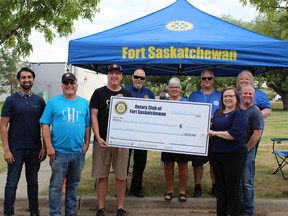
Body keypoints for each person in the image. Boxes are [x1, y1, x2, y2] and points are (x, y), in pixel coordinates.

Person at [40, 72, 91, 216]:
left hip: (77, 152)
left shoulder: (83, 103)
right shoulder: (53, 102)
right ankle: (55, 213)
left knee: (73, 185)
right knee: (56, 186)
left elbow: (88, 126)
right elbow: (45, 124)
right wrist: (48, 146)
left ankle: (71, 212)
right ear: (62, 86)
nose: (69, 85)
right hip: (58, 153)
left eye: (72, 83)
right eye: (66, 83)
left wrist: (86, 145)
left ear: (77, 85)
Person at [0, 67, 46, 216]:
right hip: (15, 149)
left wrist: (44, 147)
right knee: (12, 183)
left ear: (33, 79)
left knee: (33, 181)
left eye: (29, 77)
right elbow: (2, 126)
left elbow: (44, 125)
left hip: (34, 149)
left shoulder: (39, 101)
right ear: (19, 80)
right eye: (23, 77)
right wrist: (6, 150)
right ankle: (8, 212)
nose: (27, 80)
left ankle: (34, 210)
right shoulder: (10, 100)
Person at [90, 64, 132, 216]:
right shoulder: (99, 93)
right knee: (102, 175)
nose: (114, 76)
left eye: (117, 73)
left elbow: (132, 119)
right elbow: (93, 115)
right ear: (108, 75)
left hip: (121, 141)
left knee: (121, 176)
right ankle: (101, 208)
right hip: (103, 141)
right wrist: (98, 136)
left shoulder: (127, 95)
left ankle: (120, 207)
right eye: (111, 73)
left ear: (121, 76)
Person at [209, 86, 247, 216]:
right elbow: (213, 127)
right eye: (225, 96)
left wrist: (214, 132)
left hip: (234, 155)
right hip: (217, 155)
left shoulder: (239, 113)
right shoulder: (218, 112)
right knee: (220, 188)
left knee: (233, 188)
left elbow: (233, 134)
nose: (228, 98)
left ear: (237, 98)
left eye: (231, 96)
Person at [188, 70, 221, 197]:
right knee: (197, 163)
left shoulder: (221, 95)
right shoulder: (193, 96)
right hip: (199, 136)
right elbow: (189, 113)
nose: (206, 81)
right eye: (204, 78)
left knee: (215, 162)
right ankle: (197, 187)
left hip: (215, 134)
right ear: (200, 80)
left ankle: (215, 186)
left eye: (209, 78)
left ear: (213, 80)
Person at [125, 69, 155, 198]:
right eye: (136, 77)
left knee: (140, 162)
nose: (139, 80)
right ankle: (122, 187)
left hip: (143, 134)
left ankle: (136, 188)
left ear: (145, 80)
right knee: (123, 162)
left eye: (141, 78)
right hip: (126, 133)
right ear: (132, 77)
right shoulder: (124, 91)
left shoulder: (150, 94)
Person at [161, 77, 190, 202]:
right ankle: (170, 190)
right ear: (168, 88)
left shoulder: (187, 102)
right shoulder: (163, 103)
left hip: (182, 139)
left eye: (176, 87)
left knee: (183, 165)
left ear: (180, 89)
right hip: (167, 139)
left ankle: (182, 191)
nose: (174, 89)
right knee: (168, 165)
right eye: (172, 87)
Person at [240, 85, 264, 216]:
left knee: (247, 183)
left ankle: (248, 209)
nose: (247, 95)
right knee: (237, 182)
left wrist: (246, 149)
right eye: (245, 93)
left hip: (247, 152)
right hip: (236, 153)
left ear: (254, 96)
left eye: (250, 94)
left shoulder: (255, 112)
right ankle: (239, 206)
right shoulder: (238, 109)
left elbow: (257, 134)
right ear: (241, 94)